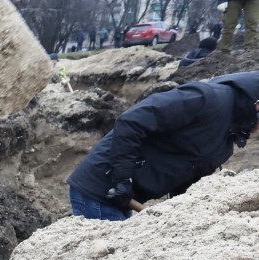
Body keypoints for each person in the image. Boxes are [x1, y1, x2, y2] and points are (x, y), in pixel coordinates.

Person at [66, 71, 259, 220]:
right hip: (101, 188)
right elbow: (132, 121)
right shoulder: (205, 99)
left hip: (128, 198)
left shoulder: (230, 132)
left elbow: (188, 169)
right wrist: (121, 179)